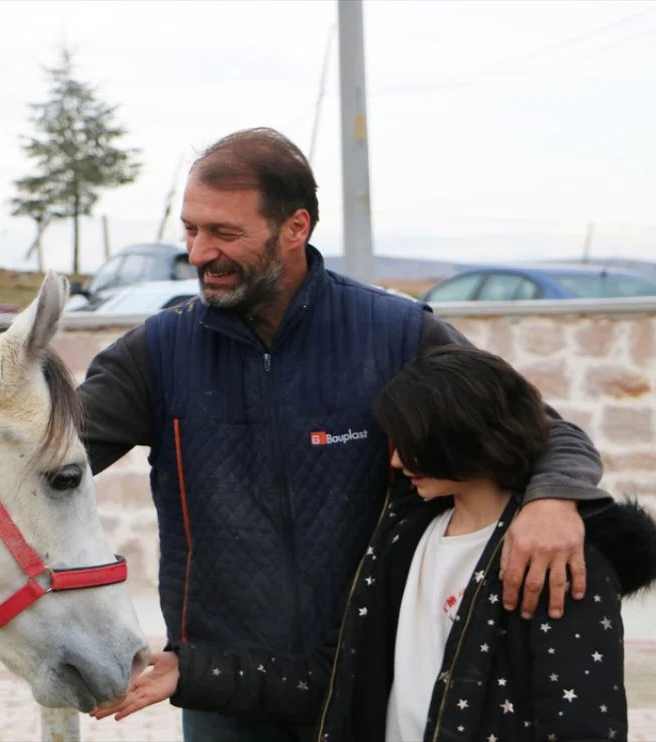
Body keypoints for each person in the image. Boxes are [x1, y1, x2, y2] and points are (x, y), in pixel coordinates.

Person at [78, 127, 613, 742]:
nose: (200, 253)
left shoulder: (395, 333)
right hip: (220, 691)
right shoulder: (158, 352)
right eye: (191, 230)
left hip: (371, 681)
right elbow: (40, 459)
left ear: (295, 227)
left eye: (225, 233)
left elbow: (545, 434)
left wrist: (553, 499)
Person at [91, 345, 656, 742]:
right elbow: (333, 682)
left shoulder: (554, 559)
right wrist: (188, 672)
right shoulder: (401, 540)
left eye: (410, 443)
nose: (393, 461)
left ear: (464, 435)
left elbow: (581, 728)